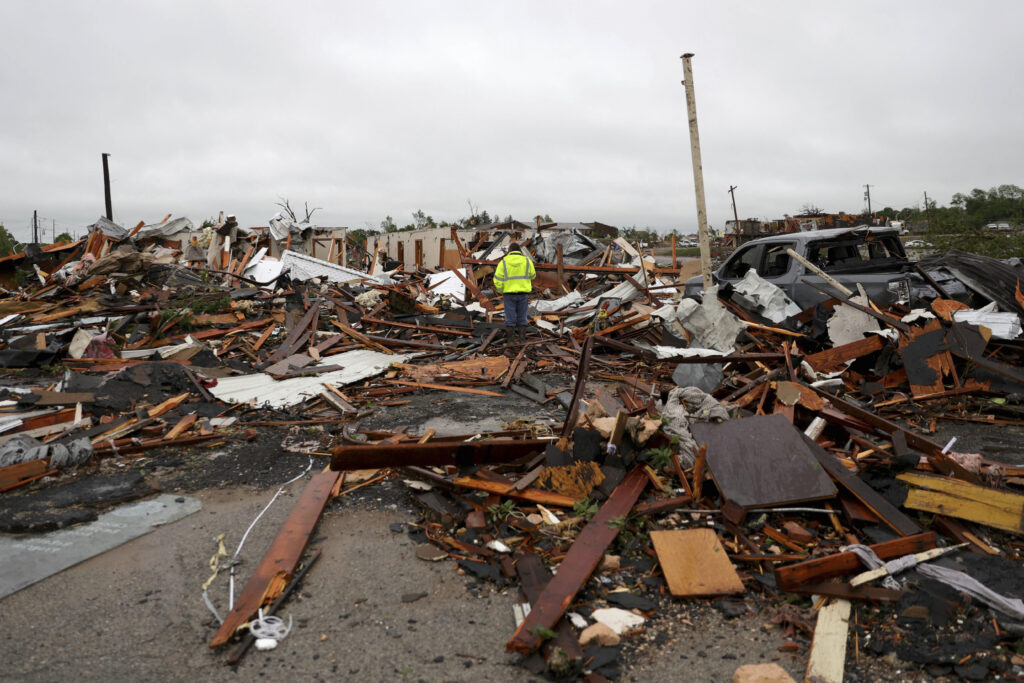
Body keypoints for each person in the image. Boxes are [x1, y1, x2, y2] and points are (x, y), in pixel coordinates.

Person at [493, 242, 536, 345]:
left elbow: (497, 279)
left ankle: (511, 342)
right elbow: (533, 275)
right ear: (519, 251)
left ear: (509, 250)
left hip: (509, 295)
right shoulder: (527, 261)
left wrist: (501, 290)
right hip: (523, 294)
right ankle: (522, 340)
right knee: (522, 317)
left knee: (510, 318)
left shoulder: (503, 262)